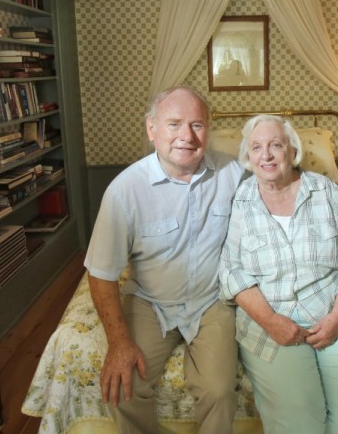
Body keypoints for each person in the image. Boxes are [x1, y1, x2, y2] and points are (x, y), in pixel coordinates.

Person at [84, 86, 245, 434]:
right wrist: (119, 343)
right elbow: (100, 274)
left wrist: (326, 195)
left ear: (208, 130)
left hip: (211, 301)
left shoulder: (233, 173)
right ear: (151, 130)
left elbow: (279, 189)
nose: (186, 136)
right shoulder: (124, 190)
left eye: (197, 125)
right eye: (174, 124)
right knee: (124, 389)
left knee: (219, 390)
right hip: (150, 302)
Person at [218, 114, 338, 434]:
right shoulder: (241, 200)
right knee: (298, 422)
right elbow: (231, 269)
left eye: (275, 145)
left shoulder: (325, 191)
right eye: (256, 147)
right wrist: (270, 322)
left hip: (334, 309)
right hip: (273, 318)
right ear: (247, 157)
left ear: (292, 150)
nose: (265, 155)